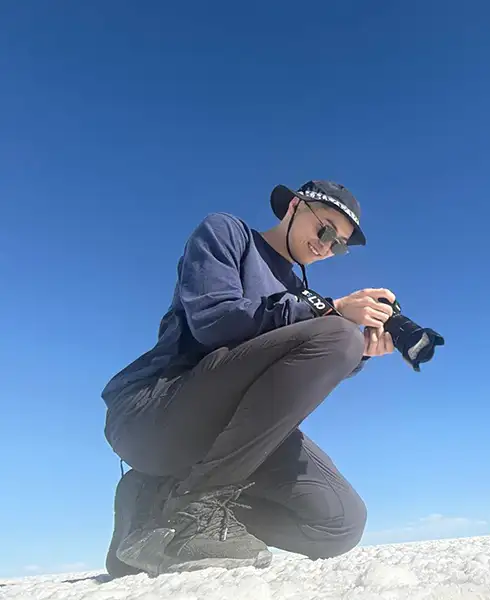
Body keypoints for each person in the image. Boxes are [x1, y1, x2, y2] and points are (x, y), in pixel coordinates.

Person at [101, 179, 400, 577]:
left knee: (340, 523)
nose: (327, 247)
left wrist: (359, 350)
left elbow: (293, 374)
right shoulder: (227, 233)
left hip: (231, 433)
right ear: (295, 206)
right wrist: (331, 314)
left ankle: (156, 515)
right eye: (325, 229)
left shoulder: (300, 291)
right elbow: (214, 323)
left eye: (339, 245)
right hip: (156, 414)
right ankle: (192, 504)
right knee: (338, 334)